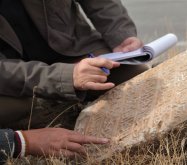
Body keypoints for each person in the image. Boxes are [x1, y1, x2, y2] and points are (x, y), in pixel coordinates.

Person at [0, 0, 148, 162]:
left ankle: (61, 107)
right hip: (10, 78)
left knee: (135, 75)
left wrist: (121, 36)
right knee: (19, 108)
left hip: (71, 49)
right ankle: (37, 121)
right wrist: (65, 77)